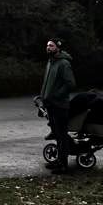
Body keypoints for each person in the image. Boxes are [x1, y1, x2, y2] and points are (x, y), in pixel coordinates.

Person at [40, 39, 75, 172]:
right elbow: (46, 83)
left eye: (51, 45)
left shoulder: (64, 63)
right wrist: (43, 97)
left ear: (58, 48)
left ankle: (63, 164)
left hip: (60, 105)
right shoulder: (51, 62)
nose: (48, 47)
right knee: (56, 133)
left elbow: (70, 84)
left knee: (62, 134)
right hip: (51, 104)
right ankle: (58, 160)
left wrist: (56, 95)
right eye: (47, 45)